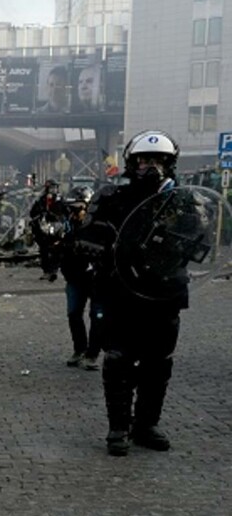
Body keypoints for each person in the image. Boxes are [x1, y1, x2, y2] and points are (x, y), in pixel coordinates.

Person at [79, 130, 190, 456]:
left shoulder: (182, 200)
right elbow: (86, 240)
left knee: (158, 364)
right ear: (132, 162)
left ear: (169, 164)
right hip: (121, 292)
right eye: (144, 160)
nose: (151, 167)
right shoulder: (111, 197)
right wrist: (111, 248)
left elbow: (198, 242)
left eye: (158, 161)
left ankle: (147, 424)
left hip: (164, 294)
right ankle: (119, 427)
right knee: (119, 361)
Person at [60, 185, 103, 370]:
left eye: (78, 208)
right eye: (71, 208)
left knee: (97, 316)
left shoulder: (99, 226)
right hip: (74, 278)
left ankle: (92, 354)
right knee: (73, 314)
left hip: (96, 279)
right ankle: (79, 349)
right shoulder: (67, 226)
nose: (74, 212)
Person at [29, 180, 68, 281]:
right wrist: (41, 215)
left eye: (55, 188)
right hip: (44, 228)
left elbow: (66, 212)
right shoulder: (41, 200)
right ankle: (47, 271)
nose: (53, 190)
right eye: (51, 188)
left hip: (57, 227)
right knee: (44, 250)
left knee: (57, 249)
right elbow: (33, 213)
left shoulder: (60, 200)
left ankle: (53, 270)